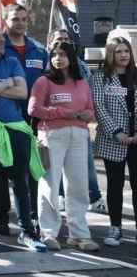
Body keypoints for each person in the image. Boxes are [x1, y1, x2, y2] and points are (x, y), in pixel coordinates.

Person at [0, 22, 45, 254]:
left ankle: (27, 232)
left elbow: (22, 92)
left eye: (2, 36)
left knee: (21, 183)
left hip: (15, 129)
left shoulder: (11, 61)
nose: (2, 40)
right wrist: (7, 83)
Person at [27, 41, 98, 252]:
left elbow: (90, 110)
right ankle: (48, 233)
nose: (58, 58)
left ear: (72, 58)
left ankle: (79, 235)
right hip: (49, 136)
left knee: (78, 184)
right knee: (49, 183)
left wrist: (88, 115)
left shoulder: (82, 82)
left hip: (79, 135)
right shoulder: (43, 81)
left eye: (63, 54)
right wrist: (62, 113)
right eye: (54, 54)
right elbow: (33, 109)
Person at [0, 4, 48, 234]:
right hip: (3, 116)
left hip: (32, 120)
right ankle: (1, 217)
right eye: (15, 19)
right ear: (5, 20)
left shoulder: (39, 50)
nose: (20, 23)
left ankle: (33, 216)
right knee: (1, 169)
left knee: (31, 169)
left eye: (24, 19)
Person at [49, 29, 104, 211]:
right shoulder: (47, 67)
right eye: (59, 39)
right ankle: (60, 196)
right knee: (55, 164)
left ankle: (94, 196)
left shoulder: (81, 66)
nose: (64, 42)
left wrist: (86, 113)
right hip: (54, 127)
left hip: (79, 125)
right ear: (51, 43)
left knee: (86, 163)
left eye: (67, 39)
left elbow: (88, 94)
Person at [90, 36, 137, 247]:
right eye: (118, 51)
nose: (124, 55)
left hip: (136, 139)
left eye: (126, 51)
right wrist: (117, 133)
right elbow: (99, 108)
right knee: (115, 186)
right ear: (111, 54)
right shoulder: (100, 77)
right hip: (113, 140)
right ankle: (115, 227)